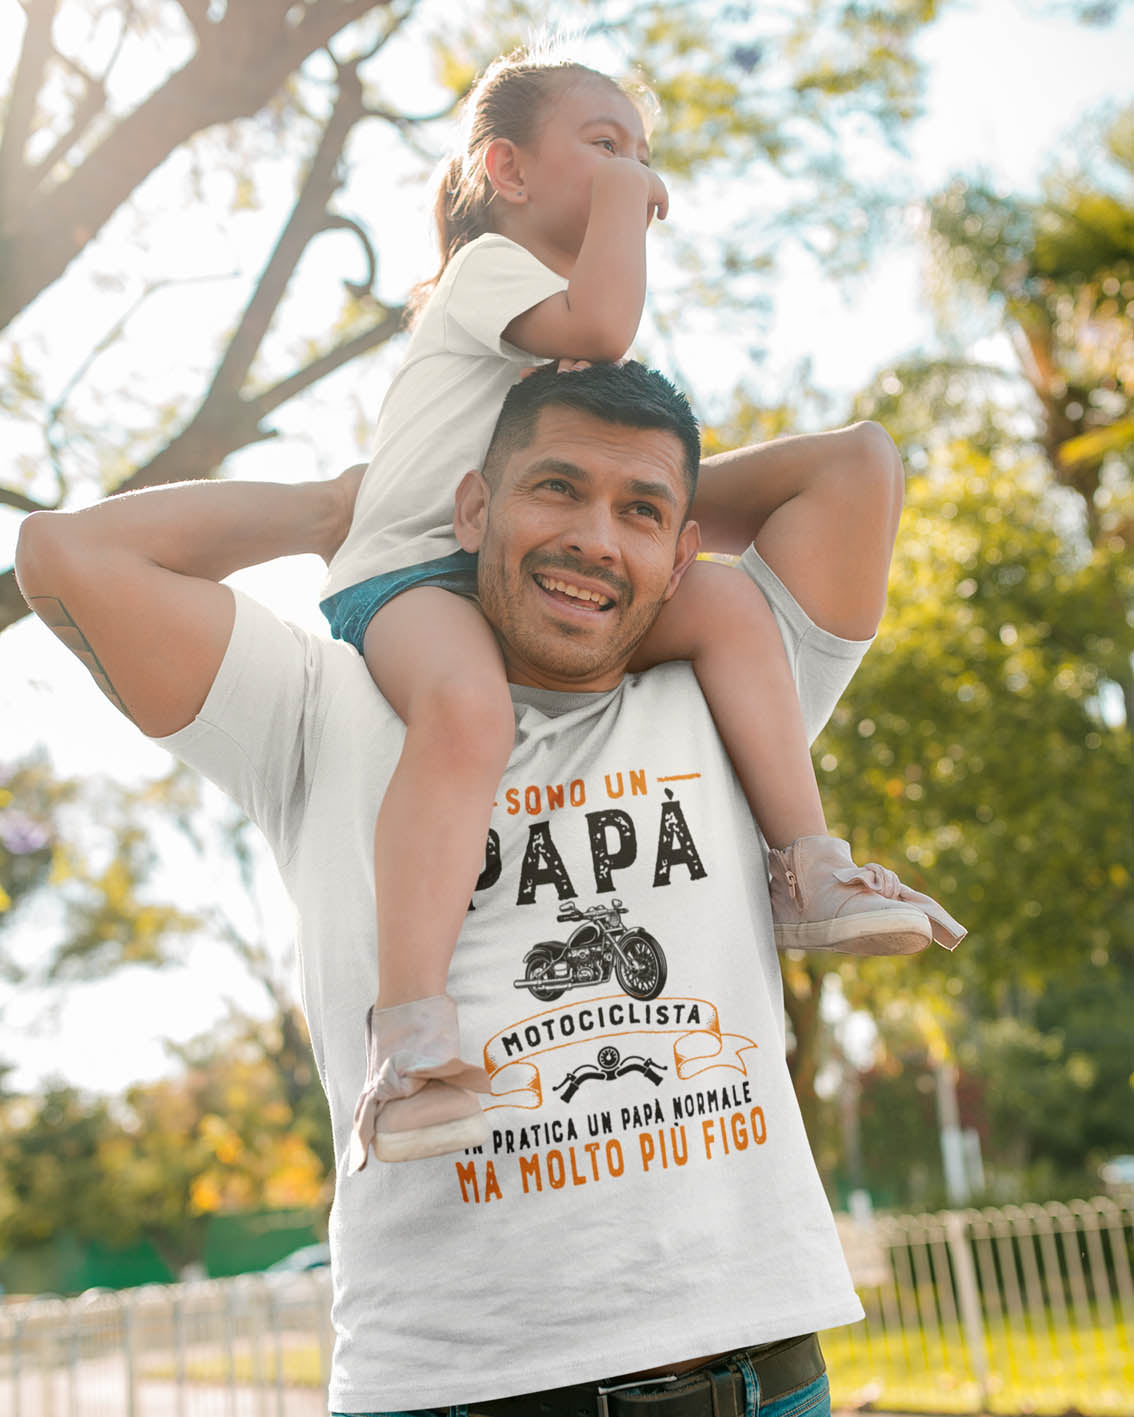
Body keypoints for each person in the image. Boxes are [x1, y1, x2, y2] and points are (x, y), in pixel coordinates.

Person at [17, 358, 962, 1417]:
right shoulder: (322, 701)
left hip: (753, 1375)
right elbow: (66, 551)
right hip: (453, 1389)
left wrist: (622, 520)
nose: (595, 537)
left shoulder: (733, 690)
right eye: (553, 487)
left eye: (641, 512)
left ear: (687, 550)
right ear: (472, 504)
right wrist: (354, 506)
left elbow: (854, 467)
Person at [318, 52, 964, 1166]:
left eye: (641, 153)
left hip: (503, 572)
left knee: (714, 601)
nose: (635, 172)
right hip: (407, 578)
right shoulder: (488, 271)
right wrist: (628, 201)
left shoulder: (552, 328)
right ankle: (412, 1042)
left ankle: (809, 862)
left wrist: (658, 519)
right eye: (604, 145)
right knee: (466, 711)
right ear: (505, 168)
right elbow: (609, 327)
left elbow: (615, 420)